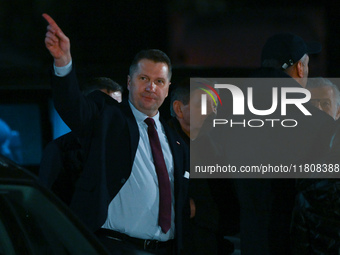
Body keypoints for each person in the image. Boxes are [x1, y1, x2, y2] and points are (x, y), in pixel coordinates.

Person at [43, 13, 189, 255]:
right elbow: (72, 106)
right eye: (144, 78)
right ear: (129, 82)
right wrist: (63, 61)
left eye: (159, 81)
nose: (151, 87)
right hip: (115, 247)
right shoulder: (108, 118)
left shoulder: (176, 142)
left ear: (167, 88)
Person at [214, 33, 336, 255]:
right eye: (307, 64)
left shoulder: (228, 114)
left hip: (250, 241)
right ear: (300, 68)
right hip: (294, 242)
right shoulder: (316, 123)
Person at [169, 79, 238, 255]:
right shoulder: (165, 146)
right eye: (202, 105)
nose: (211, 112)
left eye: (214, 106)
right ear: (179, 109)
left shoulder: (216, 148)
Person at [39, 77, 123, 205]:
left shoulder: (126, 145)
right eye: (105, 107)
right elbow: (48, 201)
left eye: (117, 107)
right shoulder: (59, 150)